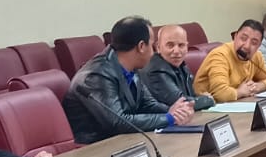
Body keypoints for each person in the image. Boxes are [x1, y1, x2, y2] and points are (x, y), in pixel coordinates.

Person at [63, 16, 196, 144]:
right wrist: (169, 118)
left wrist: (174, 111)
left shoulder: (131, 66)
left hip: (125, 140)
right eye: (151, 46)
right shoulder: (96, 75)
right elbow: (118, 122)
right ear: (141, 46)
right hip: (96, 148)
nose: (153, 52)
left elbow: (148, 104)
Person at [194, 19, 266, 103]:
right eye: (243, 38)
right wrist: (240, 92)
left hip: (237, 102)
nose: (246, 46)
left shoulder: (256, 56)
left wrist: (257, 87)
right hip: (208, 107)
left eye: (254, 43)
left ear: (259, 46)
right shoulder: (220, 55)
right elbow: (220, 94)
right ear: (235, 37)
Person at [141, 24, 214, 112]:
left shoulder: (181, 65)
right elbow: (180, 102)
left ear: (187, 47)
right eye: (170, 45)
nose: (176, 51)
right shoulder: (155, 70)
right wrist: (207, 100)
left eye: (181, 45)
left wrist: (201, 98)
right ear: (158, 47)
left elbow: (191, 97)